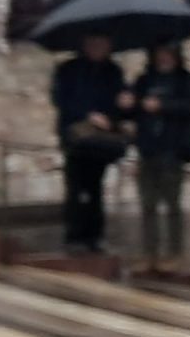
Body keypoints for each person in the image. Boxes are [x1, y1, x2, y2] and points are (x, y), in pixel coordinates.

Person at [50, 34, 130, 255]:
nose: (98, 48)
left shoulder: (113, 71)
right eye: (94, 44)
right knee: (75, 187)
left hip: (101, 140)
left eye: (102, 44)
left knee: (95, 188)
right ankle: (74, 236)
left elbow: (119, 106)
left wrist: (119, 109)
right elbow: (60, 100)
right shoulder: (68, 69)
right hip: (76, 136)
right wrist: (87, 114)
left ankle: (95, 236)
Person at [129, 43, 190, 272]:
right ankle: (149, 252)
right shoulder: (144, 81)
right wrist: (128, 105)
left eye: (168, 54)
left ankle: (174, 253)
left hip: (173, 149)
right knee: (147, 204)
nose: (164, 58)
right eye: (160, 53)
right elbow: (133, 110)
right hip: (148, 148)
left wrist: (162, 106)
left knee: (172, 204)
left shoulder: (187, 81)